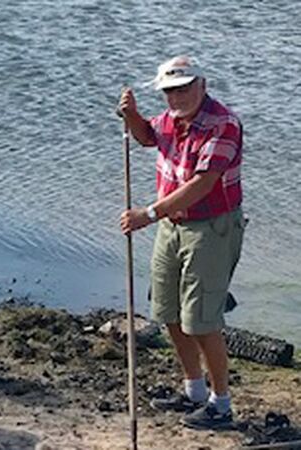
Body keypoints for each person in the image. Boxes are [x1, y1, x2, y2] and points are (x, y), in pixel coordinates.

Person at [118, 55, 244, 430]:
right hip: (172, 225)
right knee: (168, 310)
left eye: (184, 88)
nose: (176, 97)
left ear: (202, 85)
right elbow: (147, 136)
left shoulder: (223, 124)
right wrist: (132, 116)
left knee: (201, 320)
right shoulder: (171, 119)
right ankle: (194, 391)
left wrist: (149, 213)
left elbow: (203, 184)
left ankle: (221, 405)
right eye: (170, 91)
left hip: (211, 228)